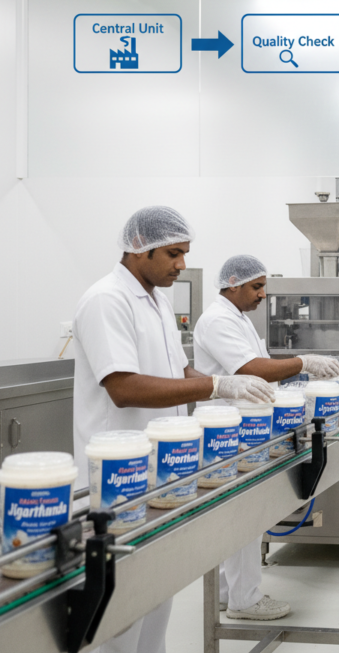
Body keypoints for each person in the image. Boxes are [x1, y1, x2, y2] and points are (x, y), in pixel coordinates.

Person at [72, 207, 273, 653]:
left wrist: (223, 393)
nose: (181, 265)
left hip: (162, 469)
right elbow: (122, 387)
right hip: (118, 476)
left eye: (184, 253)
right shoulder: (107, 300)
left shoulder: (158, 302)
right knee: (120, 609)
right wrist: (218, 382)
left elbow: (177, 370)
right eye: (173, 253)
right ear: (138, 248)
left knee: (156, 593)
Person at [193, 254, 339, 620]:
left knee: (238, 514)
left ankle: (230, 593)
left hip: (247, 423)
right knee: (245, 512)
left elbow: (262, 365)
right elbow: (250, 369)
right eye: (256, 287)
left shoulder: (237, 319)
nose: (262, 295)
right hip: (229, 427)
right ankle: (245, 600)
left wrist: (295, 373)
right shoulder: (216, 321)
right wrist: (304, 362)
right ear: (232, 283)